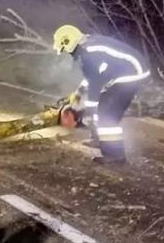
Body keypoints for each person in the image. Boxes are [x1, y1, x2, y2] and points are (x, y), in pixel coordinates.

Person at [53, 24, 150, 161]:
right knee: (101, 107)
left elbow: (95, 81)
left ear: (68, 43)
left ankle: (115, 155)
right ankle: (100, 139)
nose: (66, 53)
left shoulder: (88, 52)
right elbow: (93, 77)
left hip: (132, 72)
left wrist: (91, 108)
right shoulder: (87, 46)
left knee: (106, 113)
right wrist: (77, 95)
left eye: (64, 49)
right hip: (121, 70)